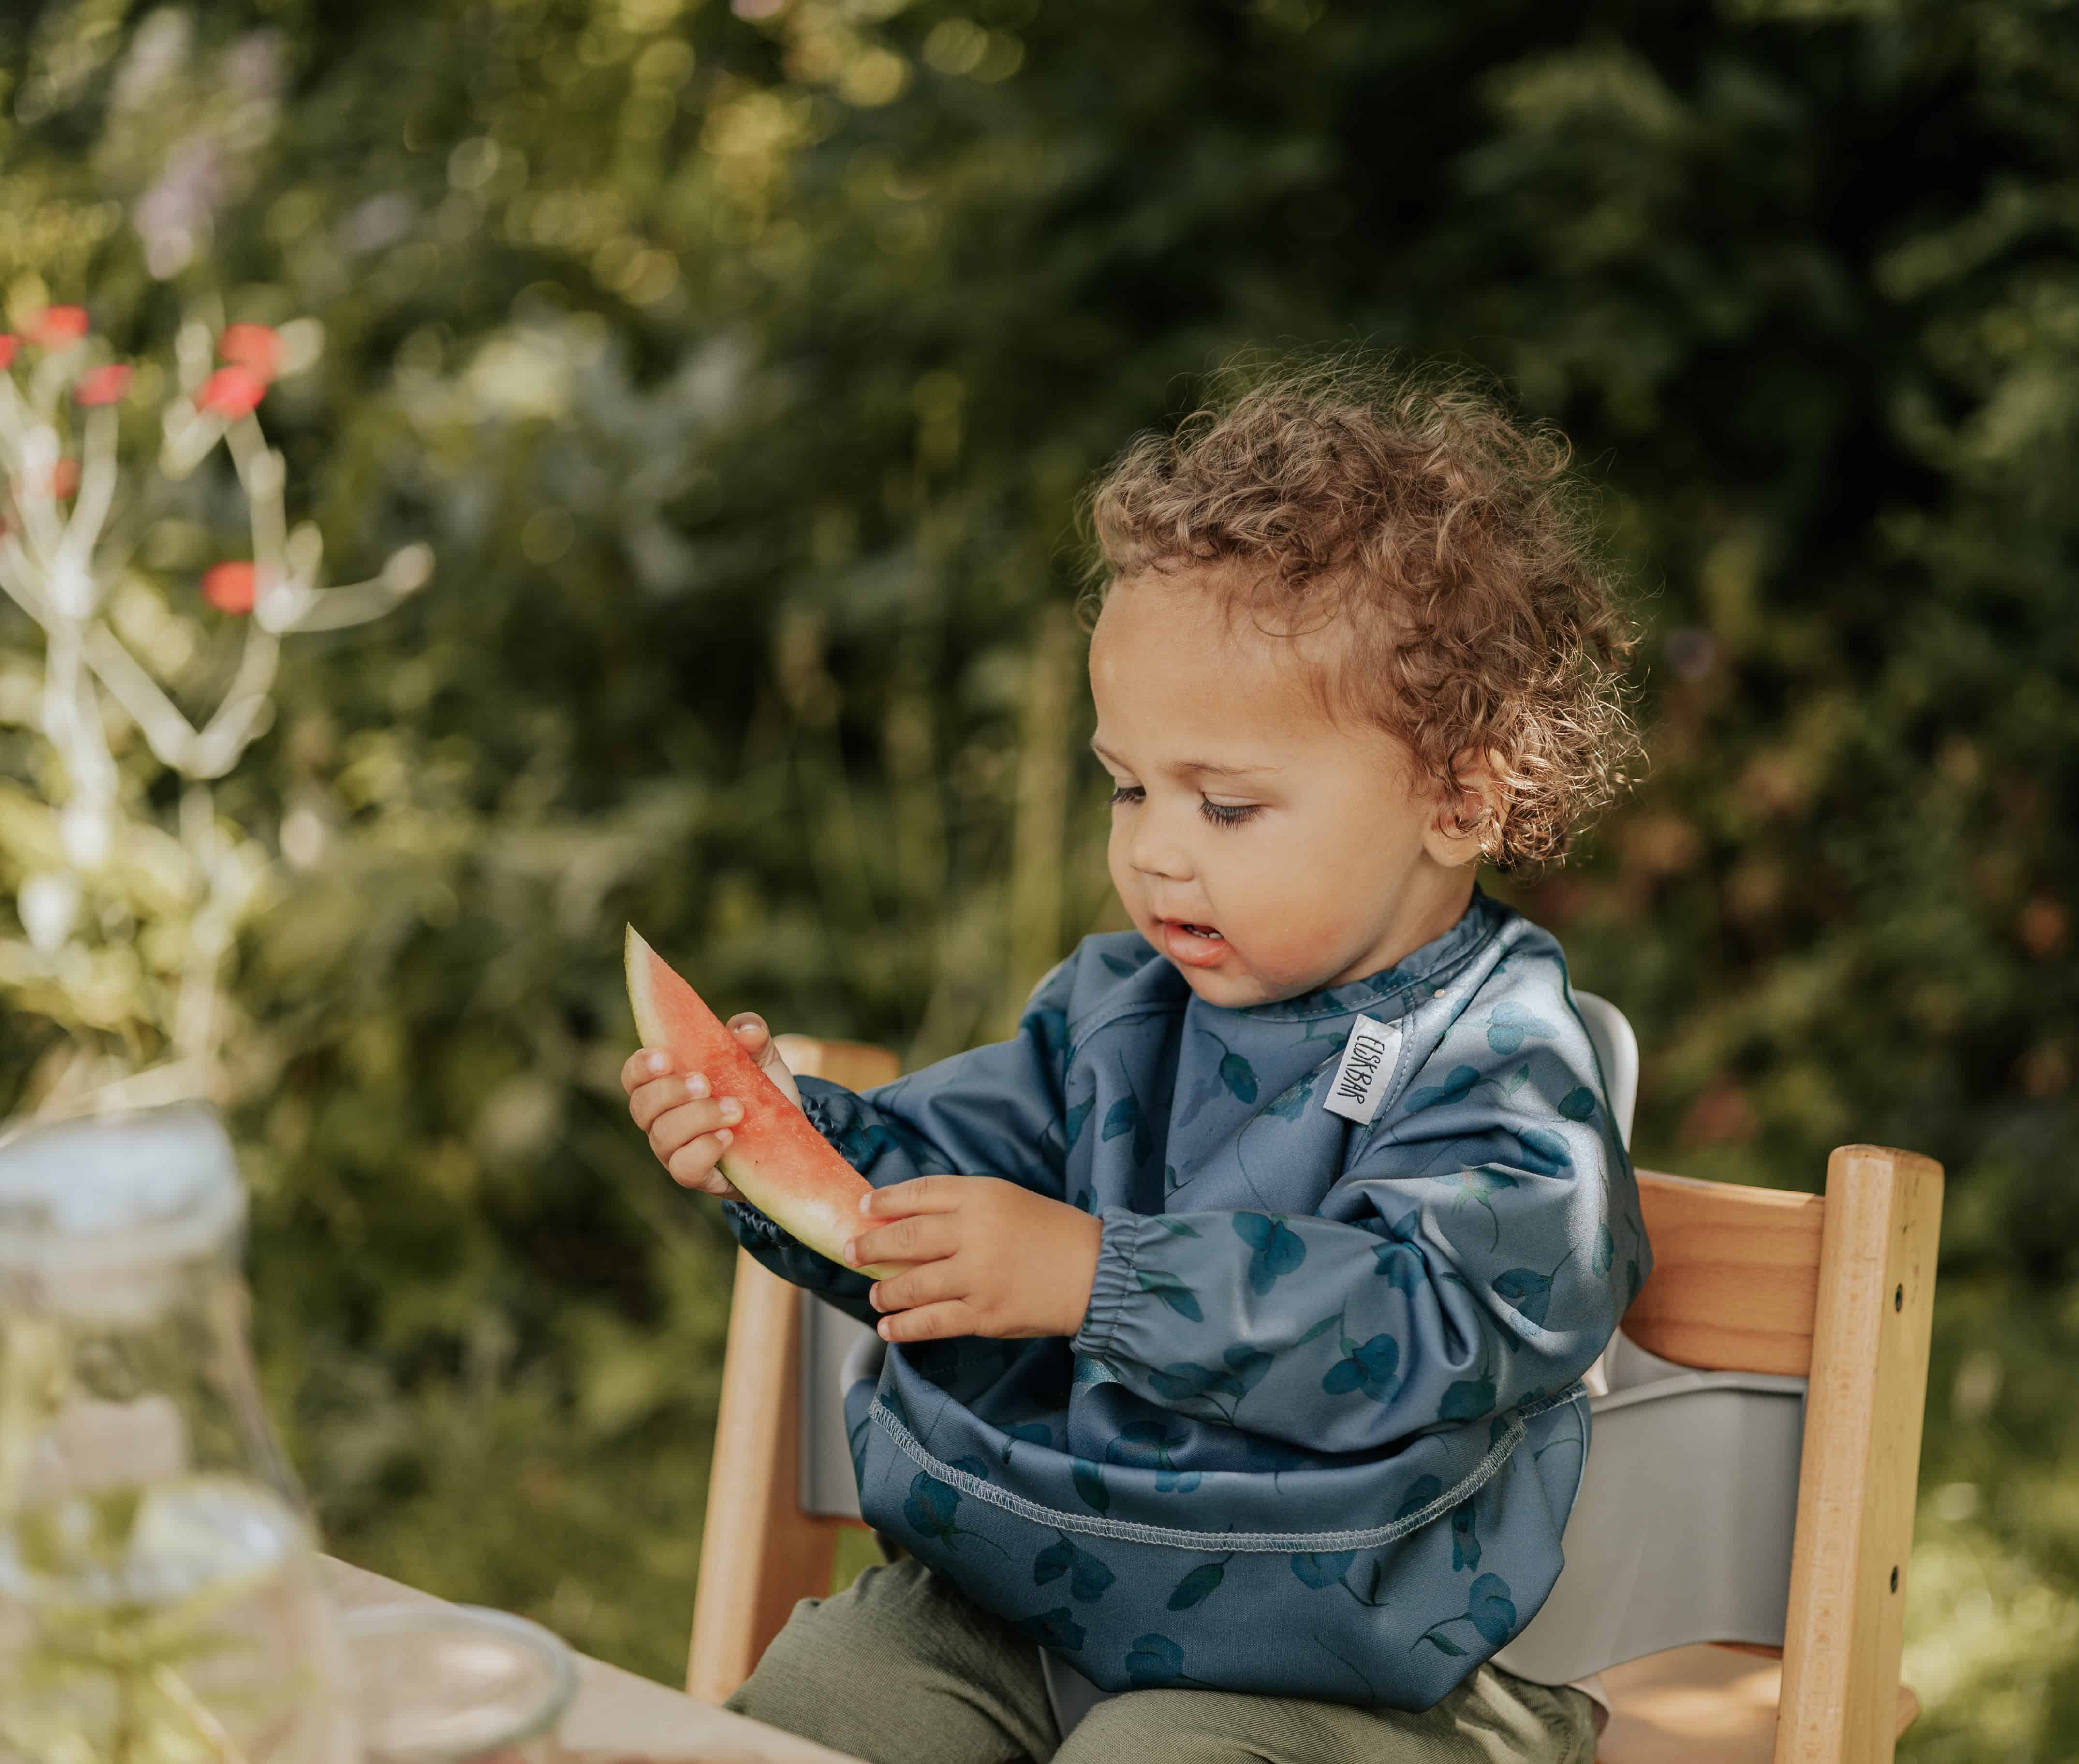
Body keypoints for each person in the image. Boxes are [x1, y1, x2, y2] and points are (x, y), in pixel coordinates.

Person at [619, 360, 1649, 1764]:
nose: (1157, 848)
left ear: (1460, 795)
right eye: (1129, 786)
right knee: (818, 1709)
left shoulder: (1501, 1062)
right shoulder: (1116, 1011)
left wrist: (1099, 1276)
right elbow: (923, 1197)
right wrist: (774, 1141)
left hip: (1348, 1672)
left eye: (1226, 805)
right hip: (1026, 1600)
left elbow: (1429, 1320)